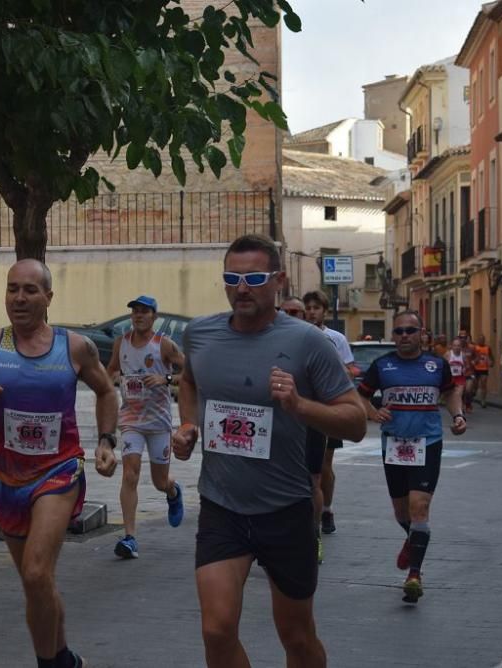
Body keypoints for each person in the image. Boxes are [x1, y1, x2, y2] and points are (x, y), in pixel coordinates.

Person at [172, 234, 366, 668]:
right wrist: (188, 424)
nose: (242, 287)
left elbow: (355, 422)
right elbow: (189, 381)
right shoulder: (200, 334)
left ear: (277, 279)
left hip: (287, 508)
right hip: (223, 506)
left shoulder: (307, 342)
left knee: (297, 638)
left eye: (254, 278)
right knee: (216, 630)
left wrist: (300, 405)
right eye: (232, 278)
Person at [0, 259, 118, 668]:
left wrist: (108, 441)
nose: (19, 298)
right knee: (35, 584)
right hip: (8, 480)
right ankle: (64, 660)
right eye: (12, 289)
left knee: (38, 572)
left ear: (48, 297)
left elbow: (107, 393)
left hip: (59, 472)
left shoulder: (74, 346)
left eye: (29, 290)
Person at [357, 310, 467, 604]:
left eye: (410, 330)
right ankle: (413, 539)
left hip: (427, 442)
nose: (404, 336)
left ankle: (414, 575)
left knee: (420, 508)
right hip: (394, 444)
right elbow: (361, 395)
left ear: (422, 333)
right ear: (393, 336)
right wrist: (373, 412)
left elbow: (451, 392)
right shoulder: (382, 365)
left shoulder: (436, 365)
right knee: (402, 513)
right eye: (399, 332)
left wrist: (458, 415)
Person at [105, 295, 186, 559]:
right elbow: (110, 372)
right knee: (130, 474)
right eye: (134, 312)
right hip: (131, 420)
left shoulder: (164, 345)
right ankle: (130, 538)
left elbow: (191, 371)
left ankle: (173, 492)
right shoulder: (122, 343)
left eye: (144, 312)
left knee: (159, 481)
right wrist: (112, 380)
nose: (138, 316)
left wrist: (166, 378)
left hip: (158, 422)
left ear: (154, 316)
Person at [303, 290, 354, 535]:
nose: (312, 311)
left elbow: (349, 370)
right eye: (308, 307)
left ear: (324, 311)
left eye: (316, 307)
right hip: (303, 408)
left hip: (329, 408)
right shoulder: (296, 336)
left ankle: (327, 509)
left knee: (324, 464)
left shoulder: (336, 339)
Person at [280, 298, 325, 564]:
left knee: (314, 480)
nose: (290, 315)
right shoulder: (267, 340)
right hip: (278, 422)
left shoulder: (318, 342)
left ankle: (314, 533)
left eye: (295, 312)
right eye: (285, 312)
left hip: (311, 421)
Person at [444, 337, 472, 410]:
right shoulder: (448, 354)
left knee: (458, 394)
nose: (456, 347)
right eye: (455, 345)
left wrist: (464, 369)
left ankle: (460, 410)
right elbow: (443, 365)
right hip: (451, 378)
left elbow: (468, 366)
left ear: (461, 347)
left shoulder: (463, 355)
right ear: (452, 346)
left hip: (460, 378)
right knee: (452, 395)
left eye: (458, 345)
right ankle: (457, 407)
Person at [470, 335, 495, 408]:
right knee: (475, 384)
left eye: (482, 339)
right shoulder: (475, 348)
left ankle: (483, 400)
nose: (481, 341)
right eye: (480, 339)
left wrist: (492, 362)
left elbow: (491, 357)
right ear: (477, 340)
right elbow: (471, 357)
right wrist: (473, 362)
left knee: (483, 384)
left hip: (484, 369)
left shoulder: (487, 348)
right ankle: (473, 392)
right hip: (475, 369)